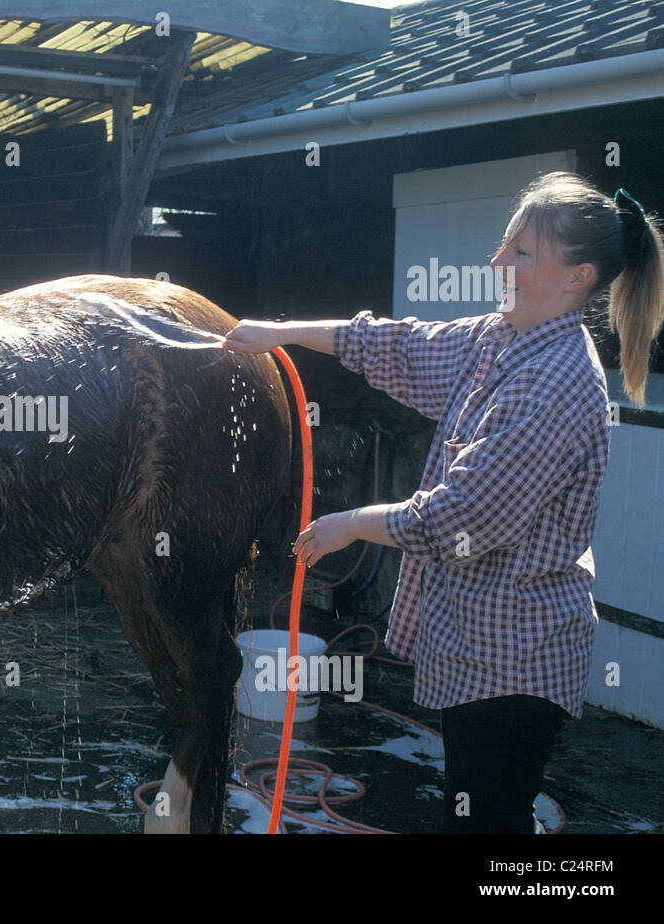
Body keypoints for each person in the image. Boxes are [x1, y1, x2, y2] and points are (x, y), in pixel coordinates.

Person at [223, 172, 664, 833]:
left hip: (517, 656)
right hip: (475, 642)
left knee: (490, 821)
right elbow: (393, 345)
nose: (498, 261)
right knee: (479, 811)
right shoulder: (499, 338)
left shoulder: (555, 382)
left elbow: (461, 518)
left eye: (521, 252)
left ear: (578, 277)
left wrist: (351, 522)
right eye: (505, 243)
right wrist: (279, 332)